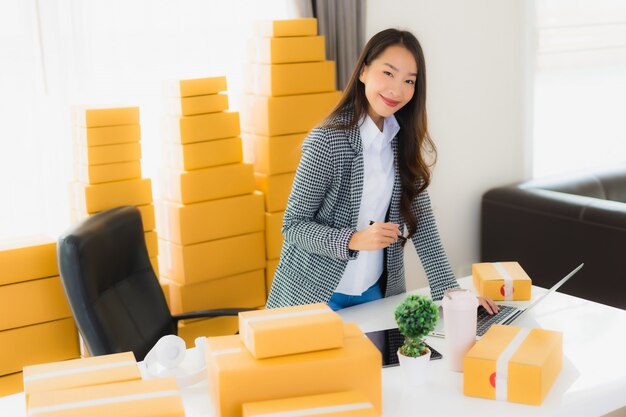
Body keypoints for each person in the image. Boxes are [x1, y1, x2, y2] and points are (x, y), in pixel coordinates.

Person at [266, 28, 498, 314]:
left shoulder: (403, 142)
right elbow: (293, 225)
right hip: (317, 295)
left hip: (377, 293)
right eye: (388, 73)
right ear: (363, 71)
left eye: (408, 81)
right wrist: (353, 239)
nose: (396, 90)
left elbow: (421, 223)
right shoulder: (327, 141)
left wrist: (453, 294)